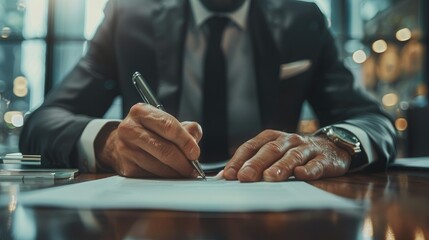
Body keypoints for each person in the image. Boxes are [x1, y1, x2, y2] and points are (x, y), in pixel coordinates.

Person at [19, 0, 396, 182]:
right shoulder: (127, 17)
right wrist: (110, 142)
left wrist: (334, 144)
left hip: (271, 206)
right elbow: (43, 123)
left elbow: (372, 120)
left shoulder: (302, 20)